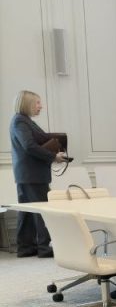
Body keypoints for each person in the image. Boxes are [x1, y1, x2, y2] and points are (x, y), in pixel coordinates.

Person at [9, 90, 67, 257]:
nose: (41, 106)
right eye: (37, 103)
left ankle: (26, 248)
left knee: (28, 213)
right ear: (27, 104)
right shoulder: (20, 121)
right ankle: (44, 247)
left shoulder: (24, 121)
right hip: (31, 175)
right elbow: (29, 146)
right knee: (42, 210)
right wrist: (53, 156)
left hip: (28, 174)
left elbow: (38, 140)